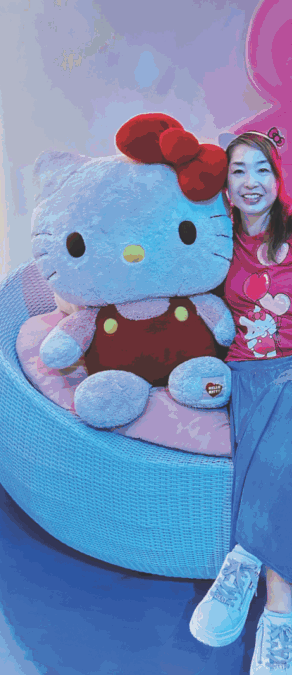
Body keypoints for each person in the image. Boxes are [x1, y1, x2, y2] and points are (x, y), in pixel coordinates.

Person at [189, 130, 291, 675]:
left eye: (262, 169)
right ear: (226, 186)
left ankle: (247, 564)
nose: (252, 181)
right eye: (239, 171)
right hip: (247, 371)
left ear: (277, 180)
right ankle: (280, 618)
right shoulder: (216, 240)